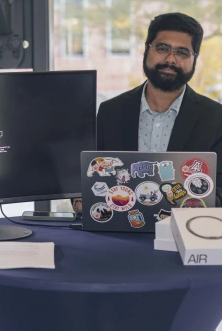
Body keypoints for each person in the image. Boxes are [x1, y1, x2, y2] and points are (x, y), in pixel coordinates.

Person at [73, 12, 222, 213]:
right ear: (146, 49)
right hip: (119, 235)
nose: (171, 59)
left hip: (186, 235)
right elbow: (91, 177)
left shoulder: (215, 118)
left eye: (182, 52)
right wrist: (81, 199)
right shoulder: (110, 112)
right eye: (162, 48)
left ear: (194, 58)